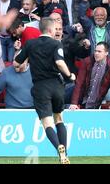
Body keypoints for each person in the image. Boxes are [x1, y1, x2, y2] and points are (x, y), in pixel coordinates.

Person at [14, 17, 76, 164]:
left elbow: (16, 63)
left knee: (47, 124)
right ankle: (64, 154)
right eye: (55, 28)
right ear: (49, 29)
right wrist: (70, 75)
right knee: (59, 119)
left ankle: (58, 147)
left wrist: (22, 54)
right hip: (56, 85)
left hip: (40, 87)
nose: (56, 31)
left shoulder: (30, 44)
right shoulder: (56, 43)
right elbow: (60, 62)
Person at [69, 42, 110, 109]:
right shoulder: (86, 62)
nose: (96, 53)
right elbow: (79, 83)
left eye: (99, 51)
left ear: (106, 53)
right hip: (83, 101)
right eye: (95, 51)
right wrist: (74, 103)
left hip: (97, 103)